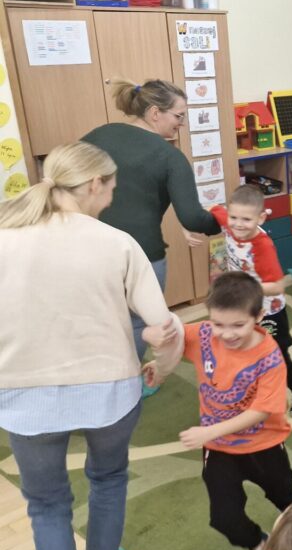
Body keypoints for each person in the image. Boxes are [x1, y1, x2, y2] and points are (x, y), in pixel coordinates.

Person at [0, 142, 183, 550]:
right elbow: (163, 328)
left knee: (47, 507)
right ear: (95, 184)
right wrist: (162, 366)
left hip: (23, 398)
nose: (110, 200)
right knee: (108, 478)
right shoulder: (117, 244)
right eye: (111, 189)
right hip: (110, 393)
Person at [161, 272, 292, 550]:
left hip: (264, 445)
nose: (226, 334)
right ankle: (258, 544)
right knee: (223, 518)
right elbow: (170, 336)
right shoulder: (203, 334)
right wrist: (159, 363)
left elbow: (260, 411)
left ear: (258, 316)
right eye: (218, 324)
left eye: (238, 325)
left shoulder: (269, 357)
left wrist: (208, 432)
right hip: (220, 450)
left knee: (289, 502)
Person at [81, 79, 220, 361]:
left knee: (100, 320)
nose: (181, 124)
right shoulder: (170, 156)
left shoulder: (99, 135)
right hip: (142, 253)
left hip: (90, 248)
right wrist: (223, 221)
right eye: (178, 116)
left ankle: (102, 373)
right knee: (138, 322)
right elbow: (193, 217)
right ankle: (130, 376)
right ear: (155, 113)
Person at [211, 185, 292, 417]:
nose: (238, 224)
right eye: (234, 217)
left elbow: (277, 286)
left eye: (246, 219)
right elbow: (211, 210)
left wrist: (244, 288)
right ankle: (253, 395)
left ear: (261, 218)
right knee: (241, 350)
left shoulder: (262, 247)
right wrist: (189, 231)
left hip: (269, 311)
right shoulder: (228, 220)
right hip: (242, 307)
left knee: (276, 355)